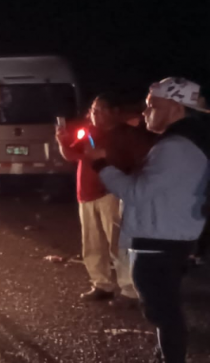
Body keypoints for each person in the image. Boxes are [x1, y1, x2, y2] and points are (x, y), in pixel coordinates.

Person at [92, 77, 210, 363]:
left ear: (174, 108)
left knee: (164, 310)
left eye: (151, 105)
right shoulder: (183, 142)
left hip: (162, 239)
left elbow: (137, 192)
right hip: (168, 235)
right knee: (160, 308)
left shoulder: (176, 147)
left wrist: (101, 165)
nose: (144, 112)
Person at [56, 94, 152, 304]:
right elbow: (72, 155)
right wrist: (62, 142)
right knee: (92, 244)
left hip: (111, 194)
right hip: (86, 195)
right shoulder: (89, 133)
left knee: (118, 244)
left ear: (113, 112)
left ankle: (129, 289)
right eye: (92, 110)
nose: (94, 114)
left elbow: (138, 162)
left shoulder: (125, 134)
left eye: (99, 110)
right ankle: (101, 284)